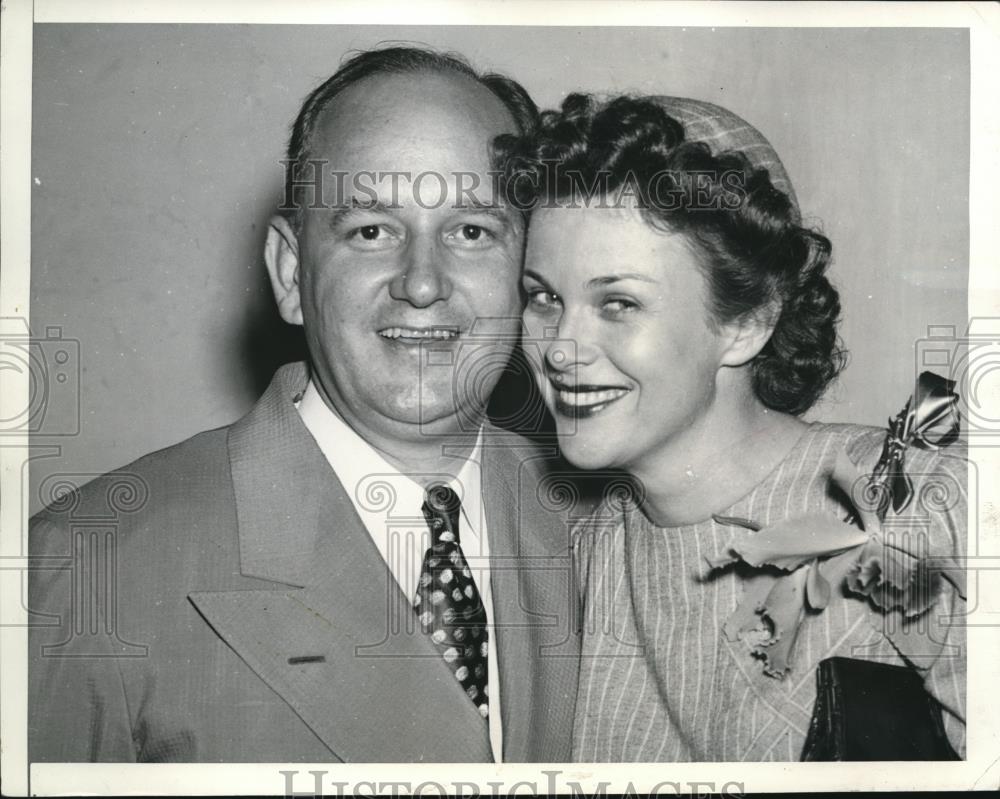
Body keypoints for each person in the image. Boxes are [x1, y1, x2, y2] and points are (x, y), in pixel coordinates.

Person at [28, 46, 581, 763]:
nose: (422, 284)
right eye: (371, 231)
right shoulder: (86, 569)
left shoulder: (602, 532)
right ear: (291, 272)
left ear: (530, 274)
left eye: (472, 231)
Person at [499, 94, 967, 761]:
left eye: (619, 303)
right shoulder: (580, 551)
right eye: (544, 297)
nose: (560, 349)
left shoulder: (915, 507)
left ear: (748, 321)